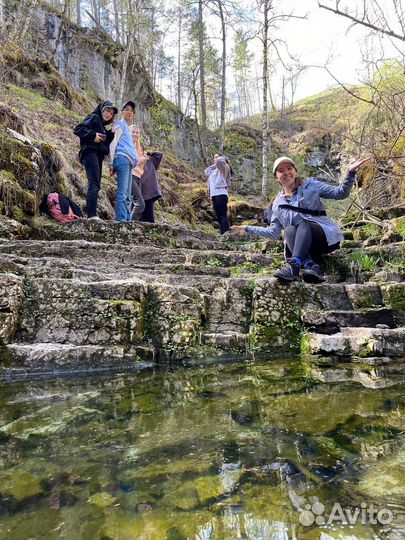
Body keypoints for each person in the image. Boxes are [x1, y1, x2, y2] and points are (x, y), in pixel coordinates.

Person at [230, 155, 371, 283]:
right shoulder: (277, 204)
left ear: (295, 170)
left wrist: (350, 173)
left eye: (289, 168)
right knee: (290, 229)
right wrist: (247, 228)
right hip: (302, 246)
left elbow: (340, 193)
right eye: (281, 170)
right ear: (275, 177)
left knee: (304, 224)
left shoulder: (311, 185)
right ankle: (312, 266)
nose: (286, 172)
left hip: (324, 239)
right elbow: (273, 232)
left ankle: (294, 266)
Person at [73, 100, 117, 219]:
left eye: (111, 113)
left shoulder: (102, 126)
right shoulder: (94, 117)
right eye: (107, 111)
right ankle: (91, 216)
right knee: (94, 184)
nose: (109, 114)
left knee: (96, 185)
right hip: (89, 153)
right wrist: (93, 136)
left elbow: (103, 145)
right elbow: (78, 129)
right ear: (102, 109)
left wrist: (109, 135)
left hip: (97, 156)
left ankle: (91, 214)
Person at [109, 100, 139, 222]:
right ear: (122, 112)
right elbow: (113, 143)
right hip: (122, 158)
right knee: (123, 192)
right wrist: (111, 163)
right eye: (126, 109)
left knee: (128, 194)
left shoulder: (127, 128)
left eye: (131, 111)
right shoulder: (119, 124)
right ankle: (121, 220)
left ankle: (126, 220)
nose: (129, 112)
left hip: (129, 162)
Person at [204, 153, 232, 234]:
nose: (215, 159)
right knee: (219, 217)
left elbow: (220, 161)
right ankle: (222, 234)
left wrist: (221, 158)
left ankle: (226, 234)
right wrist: (215, 165)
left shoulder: (224, 168)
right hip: (214, 195)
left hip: (221, 194)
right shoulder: (214, 170)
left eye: (216, 157)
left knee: (223, 215)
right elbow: (206, 171)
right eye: (214, 157)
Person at [140, 147, 163, 223]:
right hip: (140, 191)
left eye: (141, 150)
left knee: (149, 214)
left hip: (150, 191)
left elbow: (159, 154)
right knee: (140, 214)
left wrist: (148, 153)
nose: (140, 152)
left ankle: (151, 229)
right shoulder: (136, 161)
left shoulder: (151, 161)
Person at [129, 125, 146, 221]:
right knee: (140, 204)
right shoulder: (128, 145)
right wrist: (141, 159)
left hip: (138, 176)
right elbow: (131, 162)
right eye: (133, 132)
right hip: (131, 175)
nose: (135, 134)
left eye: (137, 132)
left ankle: (132, 225)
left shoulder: (137, 147)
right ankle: (130, 226)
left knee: (135, 204)